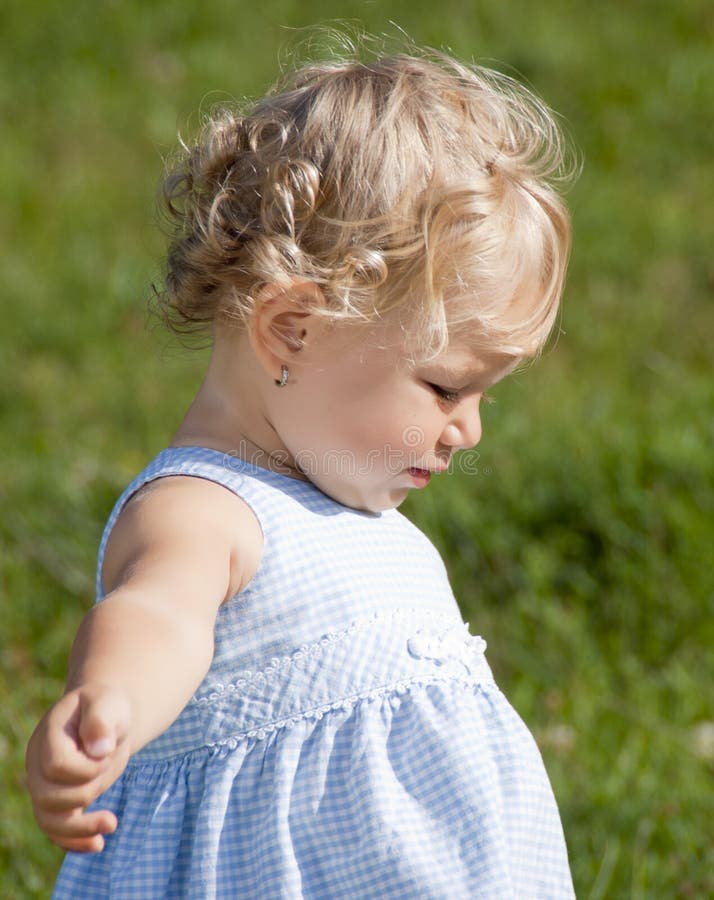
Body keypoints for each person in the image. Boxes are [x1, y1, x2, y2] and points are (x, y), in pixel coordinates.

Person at [26, 43, 575, 898]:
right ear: (291, 329)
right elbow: (161, 612)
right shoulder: (204, 508)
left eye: (483, 398)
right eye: (443, 385)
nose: (466, 429)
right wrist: (110, 704)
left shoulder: (356, 519)